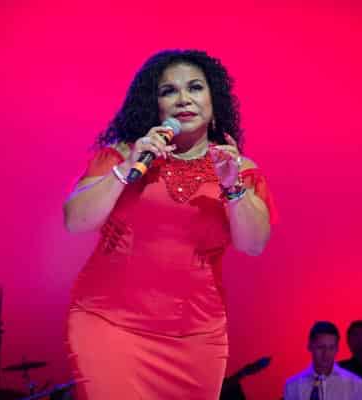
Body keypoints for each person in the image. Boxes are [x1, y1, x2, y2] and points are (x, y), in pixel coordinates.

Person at [63, 49, 276, 399]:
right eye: (169, 91)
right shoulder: (124, 155)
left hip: (196, 338)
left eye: (195, 87)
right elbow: (75, 221)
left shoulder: (238, 168)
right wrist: (127, 168)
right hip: (109, 324)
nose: (183, 99)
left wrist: (232, 186)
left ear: (214, 101)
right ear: (155, 106)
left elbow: (253, 244)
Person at [283, 321, 362, 400]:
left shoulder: (355, 384)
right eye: (321, 347)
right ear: (310, 346)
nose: (326, 354)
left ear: (337, 348)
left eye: (331, 348)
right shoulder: (293, 385)